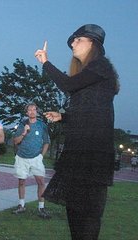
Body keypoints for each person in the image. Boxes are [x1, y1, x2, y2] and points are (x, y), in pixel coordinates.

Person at [35, 24, 119, 239]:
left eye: (78, 39)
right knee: (75, 211)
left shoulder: (102, 66)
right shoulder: (90, 75)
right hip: (77, 152)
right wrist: (64, 116)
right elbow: (91, 113)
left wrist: (45, 62)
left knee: (89, 216)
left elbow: (68, 85)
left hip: (93, 155)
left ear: (93, 44)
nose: (73, 43)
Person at [12, 103, 50, 219]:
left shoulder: (42, 125)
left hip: (36, 158)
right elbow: (16, 141)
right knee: (21, 182)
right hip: (22, 157)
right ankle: (21, 205)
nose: (32, 111)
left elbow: (46, 142)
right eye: (30, 110)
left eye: (34, 110)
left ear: (37, 112)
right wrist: (24, 133)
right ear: (27, 112)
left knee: (41, 182)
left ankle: (41, 207)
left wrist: (41, 156)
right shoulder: (22, 125)